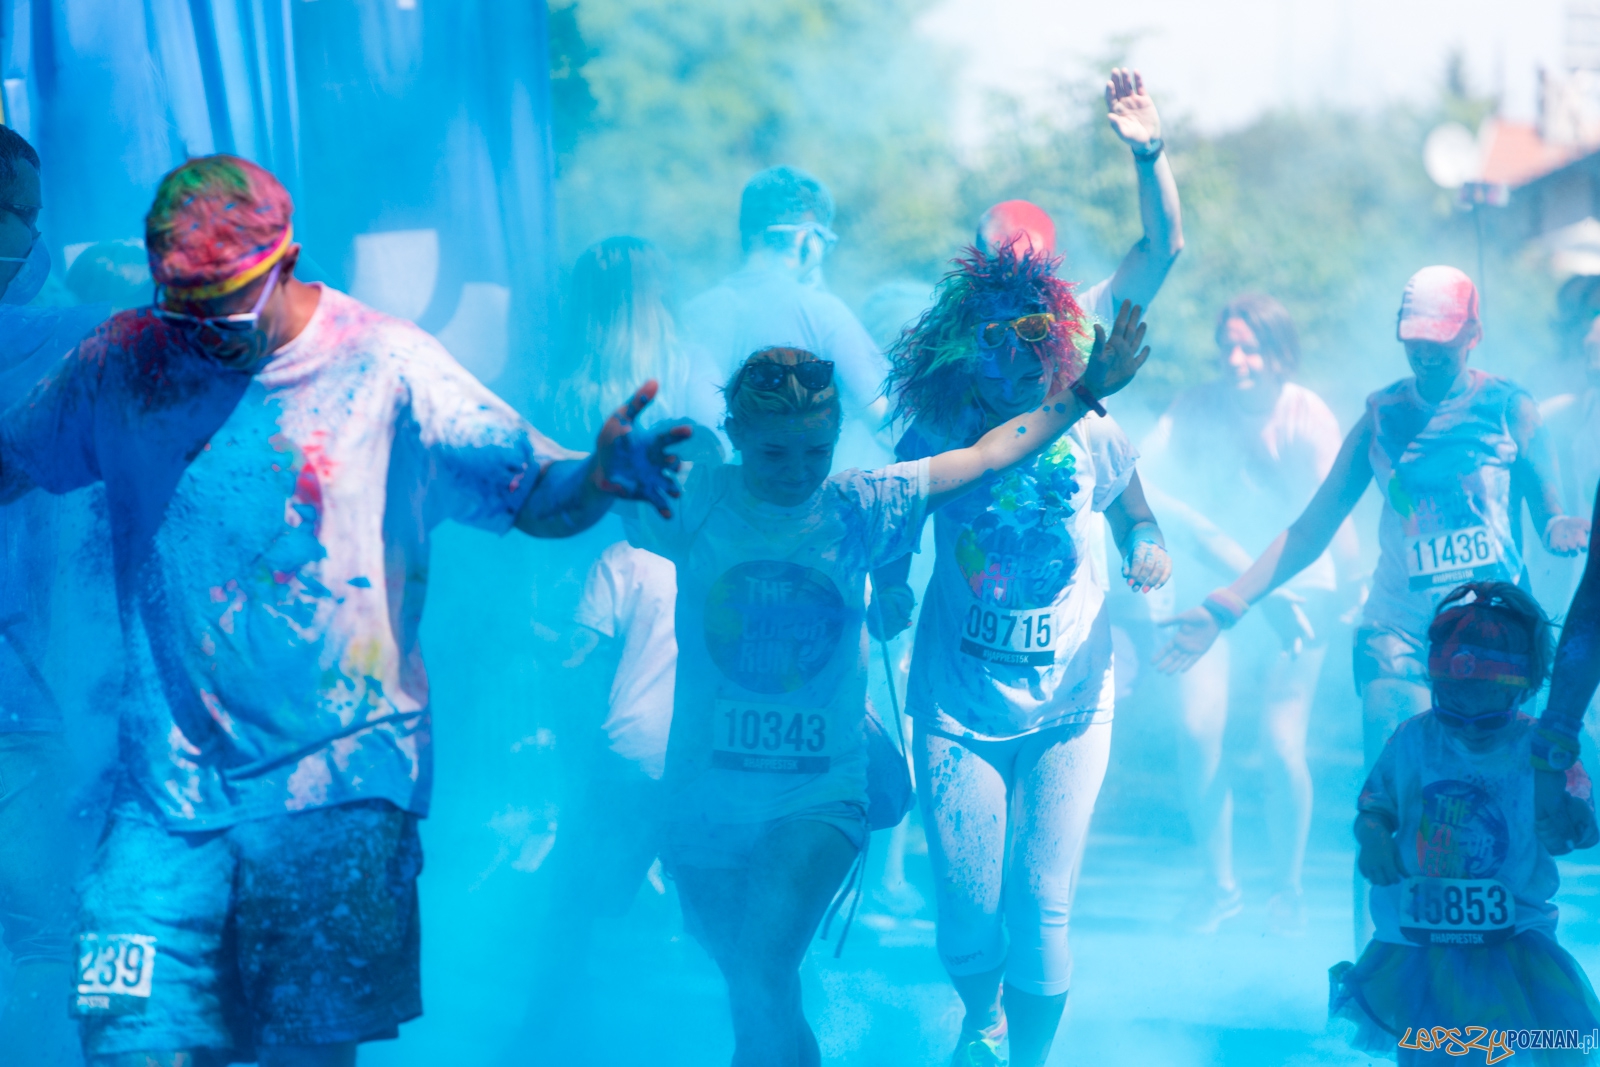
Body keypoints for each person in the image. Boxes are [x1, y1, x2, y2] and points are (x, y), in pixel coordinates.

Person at [0, 154, 688, 1067]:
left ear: (285, 261)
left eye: (226, 305)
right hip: (162, 803)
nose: (203, 330)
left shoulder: (386, 365)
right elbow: (12, 460)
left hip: (337, 793)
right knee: (130, 1045)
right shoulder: (125, 358)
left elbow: (534, 493)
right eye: (182, 301)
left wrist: (597, 479)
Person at [620, 293, 1154, 1067]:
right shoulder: (700, 502)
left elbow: (989, 456)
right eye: (773, 454)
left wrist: (1086, 390)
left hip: (817, 796)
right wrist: (620, 465)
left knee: (763, 965)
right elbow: (581, 498)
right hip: (703, 797)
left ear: (836, 439)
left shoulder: (861, 502)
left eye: (814, 451)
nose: (796, 472)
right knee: (751, 983)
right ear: (738, 436)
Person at [1155, 265, 1591, 947]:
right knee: (1391, 804)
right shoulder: (1383, 416)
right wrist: (1226, 604)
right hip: (1401, 633)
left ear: (1472, 333)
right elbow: (1311, 529)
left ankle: (1495, 958)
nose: (1425, 353)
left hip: (1498, 645)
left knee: (1498, 804)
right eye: (1414, 338)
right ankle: (1376, 966)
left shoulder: (1510, 407)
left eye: (1439, 340)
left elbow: (1548, 506)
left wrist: (1561, 525)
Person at [869, 244, 1172, 1067]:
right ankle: (984, 1020)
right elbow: (894, 532)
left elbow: (1135, 514)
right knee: (967, 915)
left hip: (1071, 701)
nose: (1011, 359)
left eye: (1030, 335)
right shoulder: (933, 432)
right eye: (991, 340)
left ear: (1056, 341)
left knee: (1040, 903)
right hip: (958, 703)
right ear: (961, 349)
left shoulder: (1093, 428)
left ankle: (1027, 1059)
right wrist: (888, 589)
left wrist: (1147, 546)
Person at [1137, 293, 1358, 934]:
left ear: (1279, 354)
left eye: (1250, 348)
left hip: (1297, 585)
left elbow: (1333, 515)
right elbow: (1140, 474)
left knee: (1280, 741)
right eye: (1227, 347)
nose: (1236, 360)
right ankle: (1220, 886)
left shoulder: (1304, 414)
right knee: (1195, 730)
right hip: (1216, 587)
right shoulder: (1194, 407)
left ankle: (1287, 890)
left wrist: (1357, 587)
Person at [1330, 582, 1600, 1063]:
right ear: (1434, 684)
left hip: (1513, 939)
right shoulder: (1413, 739)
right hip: (1420, 942)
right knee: (1427, 1052)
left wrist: (1572, 820)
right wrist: (1373, 840)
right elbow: (1374, 809)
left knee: (1537, 1049)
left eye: (1488, 717)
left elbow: (1579, 826)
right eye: (1451, 711)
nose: (1469, 728)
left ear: (1525, 690)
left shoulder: (1538, 750)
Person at [0, 122, 122, 1067]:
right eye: (21, 213)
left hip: (27, 700)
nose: (35, 238)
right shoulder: (29, 338)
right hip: (12, 718)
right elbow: (162, 329)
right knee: (52, 936)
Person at [680, 165, 890, 466]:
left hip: (706, 492)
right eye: (825, 242)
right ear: (807, 239)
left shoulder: (693, 311)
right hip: (794, 492)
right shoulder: (822, 312)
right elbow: (882, 419)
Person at [974, 68, 1184, 327]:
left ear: (1050, 271)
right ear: (978, 270)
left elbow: (1161, 249)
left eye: (1031, 271)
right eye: (1003, 269)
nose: (1016, 285)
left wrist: (1148, 151)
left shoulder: (1080, 328)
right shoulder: (951, 341)